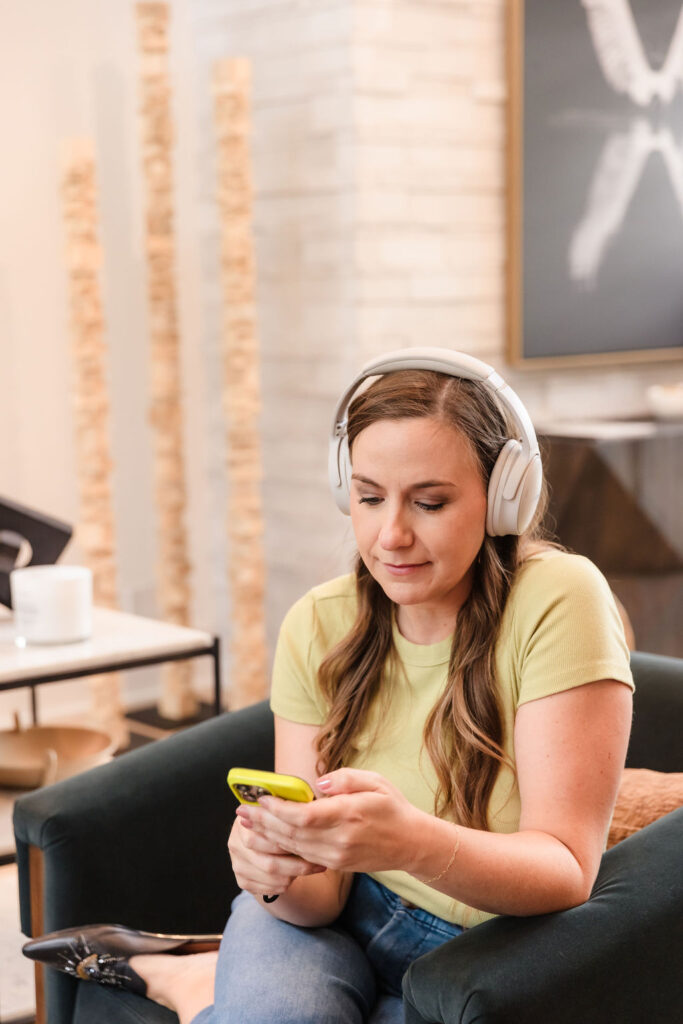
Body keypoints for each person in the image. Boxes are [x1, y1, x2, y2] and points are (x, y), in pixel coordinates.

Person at [24, 348, 634, 1024]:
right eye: (369, 497)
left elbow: (565, 868)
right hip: (333, 923)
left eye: (429, 502)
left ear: (504, 496)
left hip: (486, 952)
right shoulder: (321, 621)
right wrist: (273, 875)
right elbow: (315, 900)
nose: (391, 535)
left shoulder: (559, 599)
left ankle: (197, 985)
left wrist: (407, 841)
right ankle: (207, 977)